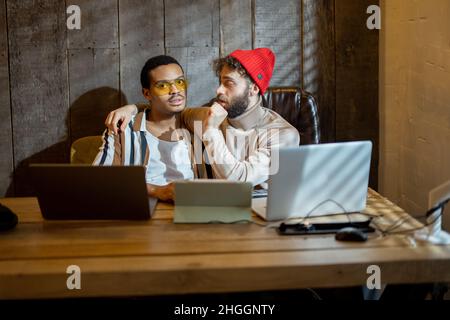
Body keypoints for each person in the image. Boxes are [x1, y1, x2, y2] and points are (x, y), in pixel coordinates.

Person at [105, 48, 300, 189]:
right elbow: (169, 109)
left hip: (262, 217)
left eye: (228, 83)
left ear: (254, 89)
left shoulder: (283, 135)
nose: (218, 90)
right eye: (220, 82)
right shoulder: (213, 115)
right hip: (214, 215)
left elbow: (240, 179)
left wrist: (211, 131)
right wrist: (131, 108)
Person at [94, 55, 197, 201]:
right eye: (163, 85)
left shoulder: (197, 128)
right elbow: (98, 179)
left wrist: (133, 107)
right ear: (147, 93)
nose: (175, 90)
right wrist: (157, 191)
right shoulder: (123, 130)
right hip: (142, 211)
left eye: (180, 82)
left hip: (191, 209)